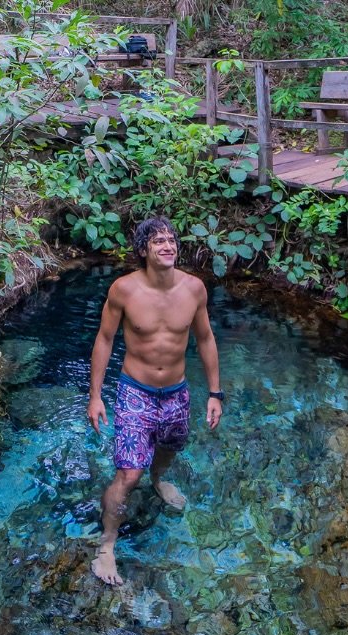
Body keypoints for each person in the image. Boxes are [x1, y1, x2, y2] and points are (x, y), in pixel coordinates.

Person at [87, 216, 223, 586]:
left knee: (168, 448)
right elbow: (104, 339)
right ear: (144, 250)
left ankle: (159, 479)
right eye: (158, 241)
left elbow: (206, 338)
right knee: (128, 474)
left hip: (176, 392)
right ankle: (107, 544)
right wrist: (95, 396)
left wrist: (215, 393)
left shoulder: (194, 289)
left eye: (171, 240)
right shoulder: (124, 290)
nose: (167, 246)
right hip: (135, 391)